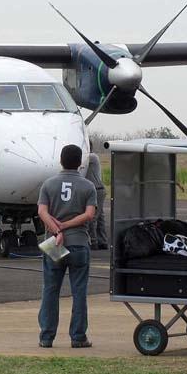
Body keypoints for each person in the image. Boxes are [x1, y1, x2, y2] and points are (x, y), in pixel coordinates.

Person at [37, 144, 97, 349]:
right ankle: (78, 337)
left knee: (50, 290)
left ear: (61, 161)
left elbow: (42, 212)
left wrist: (56, 229)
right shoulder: (88, 186)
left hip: (55, 243)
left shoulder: (48, 184)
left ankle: (46, 336)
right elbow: (89, 215)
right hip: (79, 242)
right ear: (80, 162)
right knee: (79, 292)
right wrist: (68, 225)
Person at [84, 141, 107, 250]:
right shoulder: (93, 158)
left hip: (96, 190)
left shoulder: (91, 157)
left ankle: (93, 242)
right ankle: (103, 241)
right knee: (100, 217)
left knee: (92, 217)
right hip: (99, 189)